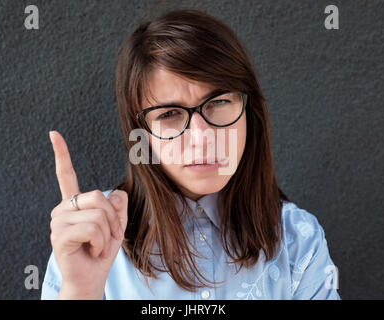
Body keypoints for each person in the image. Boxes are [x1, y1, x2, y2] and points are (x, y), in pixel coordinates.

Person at [41, 9, 340, 300]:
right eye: (169, 113)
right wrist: (80, 293)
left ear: (251, 112)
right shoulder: (89, 236)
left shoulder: (299, 240)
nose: (202, 139)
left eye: (219, 102)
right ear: (141, 134)